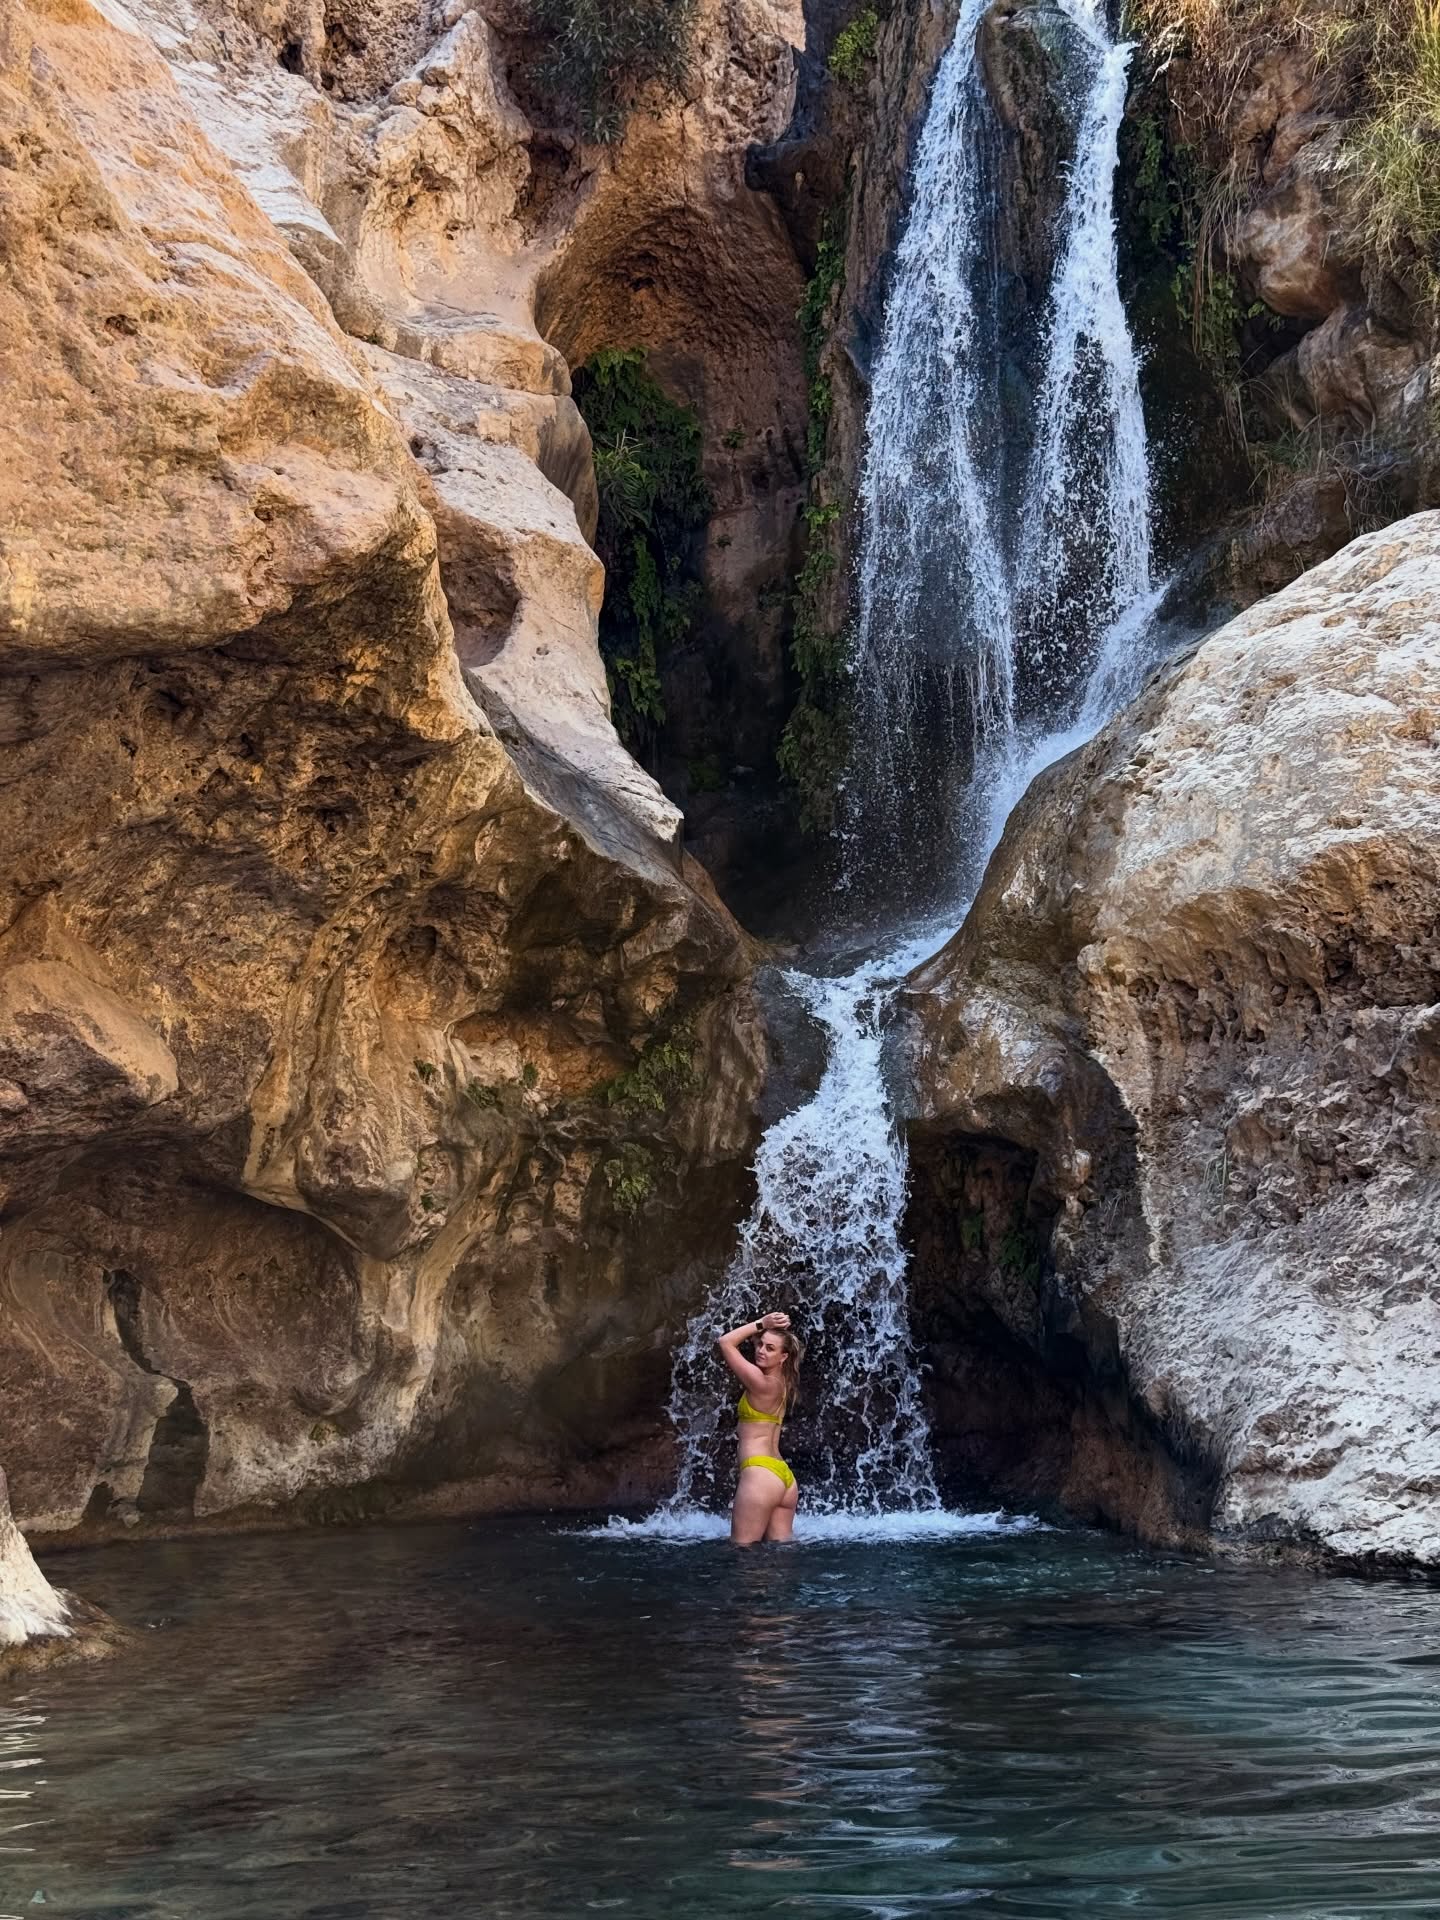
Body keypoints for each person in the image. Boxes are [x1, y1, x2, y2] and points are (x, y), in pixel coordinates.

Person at [716, 1311, 803, 1545]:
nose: (761, 1351)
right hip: (784, 1479)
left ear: (784, 1356)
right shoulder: (783, 1382)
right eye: (761, 1345)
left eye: (770, 1348)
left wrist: (761, 1323)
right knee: (779, 1557)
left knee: (743, 1553)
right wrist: (768, 1330)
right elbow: (760, 1344)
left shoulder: (760, 1382)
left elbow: (725, 1342)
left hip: (760, 1476)